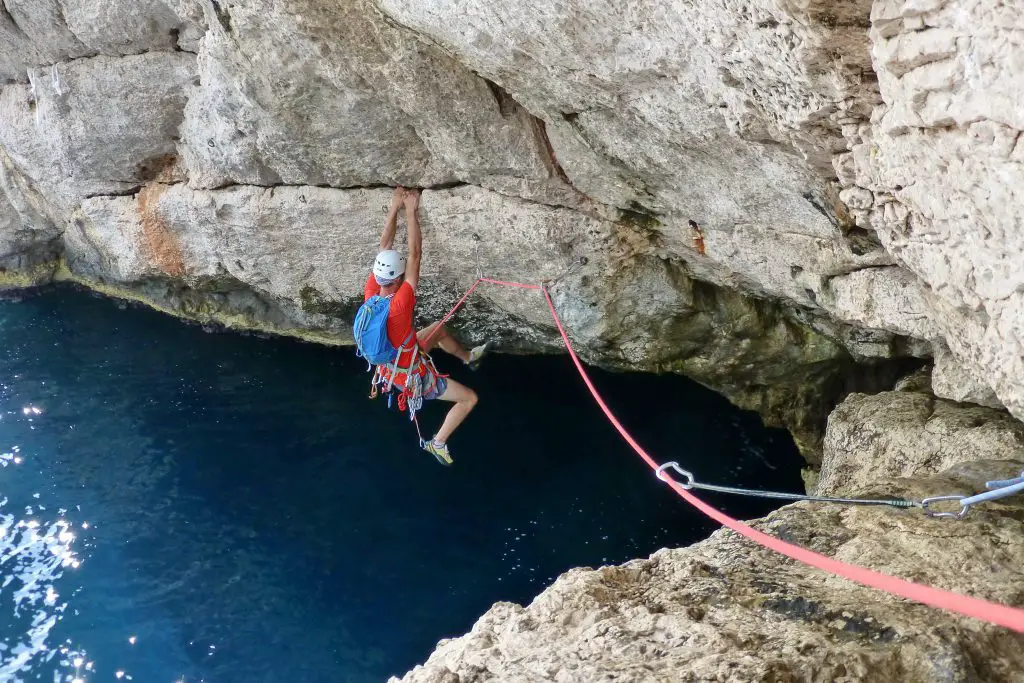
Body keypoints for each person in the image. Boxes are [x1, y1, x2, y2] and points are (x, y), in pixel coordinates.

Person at [362, 187, 488, 466]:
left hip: (393, 362)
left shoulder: (372, 292)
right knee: (469, 399)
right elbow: (415, 254)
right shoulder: (400, 303)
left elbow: (384, 248)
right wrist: (410, 209)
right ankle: (437, 442)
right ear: (397, 279)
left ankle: (470, 359)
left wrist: (395, 205)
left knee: (438, 329)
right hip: (413, 376)